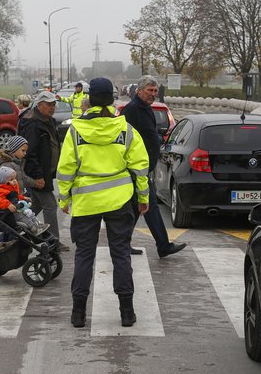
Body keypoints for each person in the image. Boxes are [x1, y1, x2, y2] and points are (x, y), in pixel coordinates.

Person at [57, 77, 150, 328]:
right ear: (112, 99)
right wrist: (143, 198)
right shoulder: (125, 129)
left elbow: (65, 168)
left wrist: (64, 198)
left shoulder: (75, 131)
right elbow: (141, 167)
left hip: (86, 201)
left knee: (84, 256)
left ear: (89, 99)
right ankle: (127, 313)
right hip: (120, 200)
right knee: (121, 255)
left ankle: (78, 314)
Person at [121, 75, 187, 258]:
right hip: (136, 168)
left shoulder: (145, 108)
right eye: (149, 91)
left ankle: (122, 244)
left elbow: (148, 134)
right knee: (149, 206)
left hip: (145, 167)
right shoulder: (132, 110)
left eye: (155, 91)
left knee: (138, 208)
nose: (153, 94)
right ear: (139, 91)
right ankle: (163, 246)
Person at [18, 91, 68, 251]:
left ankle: (15, 231)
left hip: (46, 172)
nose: (52, 108)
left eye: (54, 104)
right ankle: (53, 241)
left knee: (36, 207)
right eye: (49, 105)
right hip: (37, 174)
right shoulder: (33, 124)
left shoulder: (48, 121)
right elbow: (30, 153)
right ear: (40, 105)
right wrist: (38, 176)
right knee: (50, 205)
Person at [0, 166, 48, 237]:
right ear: (4, 181)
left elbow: (15, 196)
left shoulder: (9, 188)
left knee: (30, 214)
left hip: (17, 208)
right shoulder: (0, 190)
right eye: (11, 179)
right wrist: (8, 205)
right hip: (11, 213)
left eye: (15, 178)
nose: (14, 180)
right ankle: (34, 229)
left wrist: (23, 197)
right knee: (24, 218)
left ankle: (38, 225)